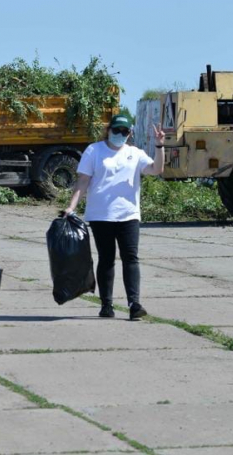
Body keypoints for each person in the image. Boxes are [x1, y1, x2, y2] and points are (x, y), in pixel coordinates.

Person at [63, 114, 165, 321]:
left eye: (124, 132)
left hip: (128, 214)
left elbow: (156, 169)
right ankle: (106, 304)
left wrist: (160, 146)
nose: (120, 135)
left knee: (131, 258)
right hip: (101, 215)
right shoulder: (94, 150)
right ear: (108, 130)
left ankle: (134, 304)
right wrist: (71, 207)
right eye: (116, 130)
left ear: (130, 133)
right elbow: (83, 181)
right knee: (106, 259)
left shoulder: (135, 153)